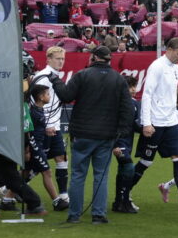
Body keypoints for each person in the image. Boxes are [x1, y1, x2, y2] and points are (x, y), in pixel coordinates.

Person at [57, 44, 133, 224]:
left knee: (77, 175)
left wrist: (56, 81)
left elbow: (66, 96)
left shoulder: (82, 75)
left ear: (93, 57)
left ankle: (74, 215)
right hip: (106, 135)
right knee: (101, 175)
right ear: (109, 59)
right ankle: (98, 214)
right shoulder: (118, 79)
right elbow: (127, 109)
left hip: (82, 133)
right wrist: (121, 132)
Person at [131, 37, 178, 211]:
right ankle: (125, 193)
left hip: (171, 122)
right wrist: (146, 123)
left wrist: (174, 119)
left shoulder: (177, 69)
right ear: (169, 49)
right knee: (146, 162)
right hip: (155, 123)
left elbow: (170, 96)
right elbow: (147, 94)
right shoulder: (157, 67)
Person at [31, 47, 70, 210]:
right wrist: (46, 124)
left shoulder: (55, 77)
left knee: (61, 158)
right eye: (57, 58)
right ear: (48, 59)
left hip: (54, 126)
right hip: (45, 127)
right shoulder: (43, 77)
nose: (61, 61)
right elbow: (36, 103)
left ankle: (63, 195)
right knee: (38, 165)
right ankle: (8, 190)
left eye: (62, 58)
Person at [111, 76, 142, 214]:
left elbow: (135, 124)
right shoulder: (115, 103)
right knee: (129, 167)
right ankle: (124, 200)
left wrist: (148, 129)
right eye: (130, 87)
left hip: (128, 142)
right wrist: (114, 144)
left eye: (134, 86)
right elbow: (111, 124)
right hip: (119, 141)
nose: (133, 89)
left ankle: (119, 202)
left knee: (123, 169)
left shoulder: (135, 103)